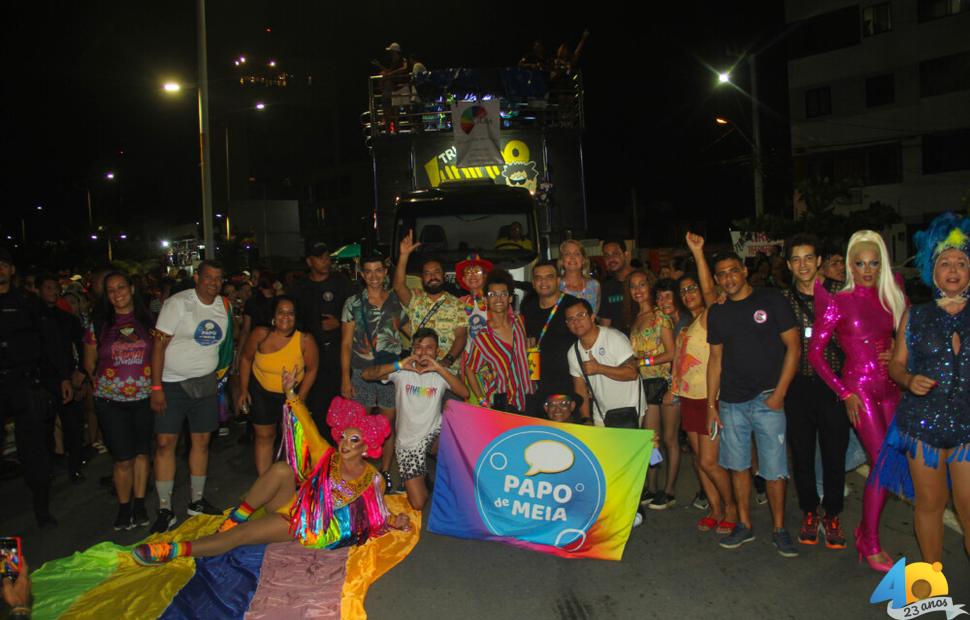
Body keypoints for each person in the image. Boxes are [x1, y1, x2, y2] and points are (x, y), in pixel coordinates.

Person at [132, 368, 412, 565]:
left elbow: (375, 511)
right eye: (344, 437)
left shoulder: (372, 478)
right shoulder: (327, 455)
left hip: (304, 525)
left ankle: (172, 550)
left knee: (240, 538)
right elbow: (307, 425)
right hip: (292, 502)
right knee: (281, 470)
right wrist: (290, 391)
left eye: (355, 440)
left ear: (366, 447)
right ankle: (237, 516)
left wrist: (393, 521)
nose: (346, 443)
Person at [808, 230, 906, 572]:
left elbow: (907, 336)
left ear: (882, 264)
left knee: (892, 464)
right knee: (882, 463)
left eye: (874, 263)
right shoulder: (837, 300)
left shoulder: (892, 294)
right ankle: (871, 542)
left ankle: (866, 530)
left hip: (891, 387)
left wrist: (898, 351)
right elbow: (815, 353)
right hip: (859, 388)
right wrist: (844, 392)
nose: (867, 269)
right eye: (860, 263)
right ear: (849, 265)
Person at [879, 212, 970, 562]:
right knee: (930, 504)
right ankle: (934, 579)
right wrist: (908, 380)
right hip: (923, 424)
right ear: (934, 271)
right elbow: (897, 365)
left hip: (967, 426)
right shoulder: (915, 315)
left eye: (961, 262)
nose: (953, 268)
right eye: (945, 262)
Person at [707, 252, 801, 557]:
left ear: (744, 271)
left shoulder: (771, 300)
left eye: (733, 271)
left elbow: (794, 347)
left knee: (774, 469)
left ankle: (779, 528)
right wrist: (711, 403)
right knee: (738, 466)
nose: (728, 278)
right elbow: (715, 359)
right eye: (721, 274)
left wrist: (781, 393)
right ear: (717, 279)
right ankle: (744, 525)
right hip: (732, 401)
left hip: (768, 398)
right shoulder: (718, 313)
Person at [149, 259, 231, 533]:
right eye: (208, 277)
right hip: (172, 384)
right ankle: (164, 507)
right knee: (165, 444)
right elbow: (158, 346)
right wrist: (156, 387)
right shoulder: (177, 304)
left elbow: (226, 344)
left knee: (202, 442)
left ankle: (196, 500)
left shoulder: (224, 306)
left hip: (205, 385)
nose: (214, 283)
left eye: (218, 278)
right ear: (197, 278)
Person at [781, 235, 850, 549]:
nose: (803, 265)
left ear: (819, 260)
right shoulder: (781, 299)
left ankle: (832, 514)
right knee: (802, 454)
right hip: (798, 387)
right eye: (796, 259)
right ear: (788, 265)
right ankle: (809, 511)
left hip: (835, 385)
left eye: (808, 257)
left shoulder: (841, 293)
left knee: (835, 453)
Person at [672, 233, 739, 535]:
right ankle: (715, 508)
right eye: (682, 291)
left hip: (709, 398)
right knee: (700, 461)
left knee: (711, 461)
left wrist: (698, 254)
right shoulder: (687, 325)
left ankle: (732, 507)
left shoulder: (713, 315)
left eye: (692, 288)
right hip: (688, 398)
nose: (687, 294)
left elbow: (711, 292)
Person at [0, 248, 72, 528]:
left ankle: (42, 509)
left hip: (26, 383)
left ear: (11, 270)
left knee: (34, 451)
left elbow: (51, 345)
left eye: (3, 264)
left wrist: (63, 377)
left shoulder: (29, 303)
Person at [362, 328, 469, 510]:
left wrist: (439, 368)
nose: (423, 352)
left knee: (453, 440)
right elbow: (367, 374)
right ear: (412, 349)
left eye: (429, 348)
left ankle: (455, 485)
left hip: (433, 433)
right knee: (418, 503)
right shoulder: (402, 371)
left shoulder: (440, 374)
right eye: (418, 347)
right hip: (408, 444)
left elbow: (464, 392)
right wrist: (399, 365)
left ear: (437, 352)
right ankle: (423, 477)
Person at [83, 271, 156, 530]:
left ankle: (140, 504)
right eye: (111, 290)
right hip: (111, 401)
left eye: (121, 287)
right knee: (122, 458)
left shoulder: (148, 322)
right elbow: (89, 362)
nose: (117, 293)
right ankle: (124, 507)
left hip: (144, 398)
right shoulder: (99, 325)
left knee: (142, 454)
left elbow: (159, 356)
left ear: (132, 289)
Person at [340, 254, 408, 489]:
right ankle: (359, 474)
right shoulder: (353, 303)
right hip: (361, 371)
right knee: (358, 426)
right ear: (362, 274)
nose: (373, 276)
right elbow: (346, 344)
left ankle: (386, 473)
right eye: (368, 271)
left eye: (378, 270)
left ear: (386, 272)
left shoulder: (396, 301)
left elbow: (410, 330)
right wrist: (345, 378)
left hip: (390, 373)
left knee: (388, 426)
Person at [238, 296, 319, 476]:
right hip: (261, 392)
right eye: (281, 312)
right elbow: (245, 359)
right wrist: (243, 389)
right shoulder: (261, 333)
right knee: (264, 436)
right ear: (273, 315)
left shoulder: (305, 339)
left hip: (291, 394)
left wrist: (301, 398)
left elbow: (312, 369)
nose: (286, 317)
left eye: (290, 313)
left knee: (292, 438)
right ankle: (265, 480)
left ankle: (293, 482)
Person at [625, 270, 678, 508]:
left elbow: (672, 353)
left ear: (650, 286)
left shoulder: (660, 318)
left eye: (642, 285)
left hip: (665, 382)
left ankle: (669, 490)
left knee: (669, 439)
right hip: (643, 385)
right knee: (651, 440)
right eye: (633, 286)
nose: (638, 290)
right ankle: (651, 486)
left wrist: (643, 362)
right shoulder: (635, 318)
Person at [289, 241, 353, 432]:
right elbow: (294, 320)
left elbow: (357, 314)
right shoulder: (299, 287)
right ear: (309, 261)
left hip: (337, 355)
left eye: (327, 257)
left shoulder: (341, 282)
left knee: (340, 408)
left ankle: (340, 454)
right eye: (320, 258)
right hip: (311, 357)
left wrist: (339, 324)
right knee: (315, 409)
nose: (325, 261)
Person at [394, 230, 467, 373]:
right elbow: (398, 286)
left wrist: (446, 361)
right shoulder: (415, 300)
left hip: (447, 374)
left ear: (444, 276)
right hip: (417, 371)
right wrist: (404, 256)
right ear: (422, 279)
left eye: (436, 272)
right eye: (427, 273)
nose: (432, 276)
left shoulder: (458, 304)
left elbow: (461, 336)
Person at [37, 274, 86, 483]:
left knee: (73, 426)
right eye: (48, 288)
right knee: (43, 428)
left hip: (67, 377)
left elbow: (83, 347)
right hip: (42, 381)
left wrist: (80, 373)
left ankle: (74, 467)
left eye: (55, 288)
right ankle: (46, 468)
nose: (53, 292)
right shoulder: (32, 317)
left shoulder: (67, 319)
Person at [465, 270, 534, 413]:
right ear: (485, 300)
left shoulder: (520, 322)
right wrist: (482, 400)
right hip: (503, 404)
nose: (498, 298)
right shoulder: (482, 337)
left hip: (529, 397)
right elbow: (470, 369)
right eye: (492, 294)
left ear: (510, 298)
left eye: (503, 293)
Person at [565, 299, 641, 426]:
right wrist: (586, 419)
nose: (576, 321)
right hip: (601, 413)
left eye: (580, 315)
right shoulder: (573, 352)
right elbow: (580, 388)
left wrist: (600, 368)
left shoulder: (614, 338)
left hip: (629, 410)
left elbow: (632, 373)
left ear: (592, 317)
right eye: (570, 319)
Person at [521, 260, 581, 417]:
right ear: (533, 283)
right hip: (539, 385)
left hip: (569, 383)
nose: (543, 282)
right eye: (538, 278)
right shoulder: (528, 308)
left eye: (549, 277)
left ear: (558, 281)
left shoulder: (573, 306)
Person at [454, 253, 493, 361]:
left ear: (485, 276)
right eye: (468, 272)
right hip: (469, 360)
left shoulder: (495, 298)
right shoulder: (460, 303)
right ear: (463, 279)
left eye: (477, 271)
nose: (472, 275)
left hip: (493, 357)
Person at [599, 239, 634, 332]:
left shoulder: (642, 280)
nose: (611, 259)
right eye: (606, 256)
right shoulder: (607, 287)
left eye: (615, 254)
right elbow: (605, 325)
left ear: (626, 254)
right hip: (619, 344)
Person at [558, 240, 600, 315]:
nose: (572, 257)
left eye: (577, 254)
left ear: (583, 260)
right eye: (567, 254)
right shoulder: (556, 285)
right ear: (561, 261)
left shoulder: (594, 285)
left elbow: (596, 315)